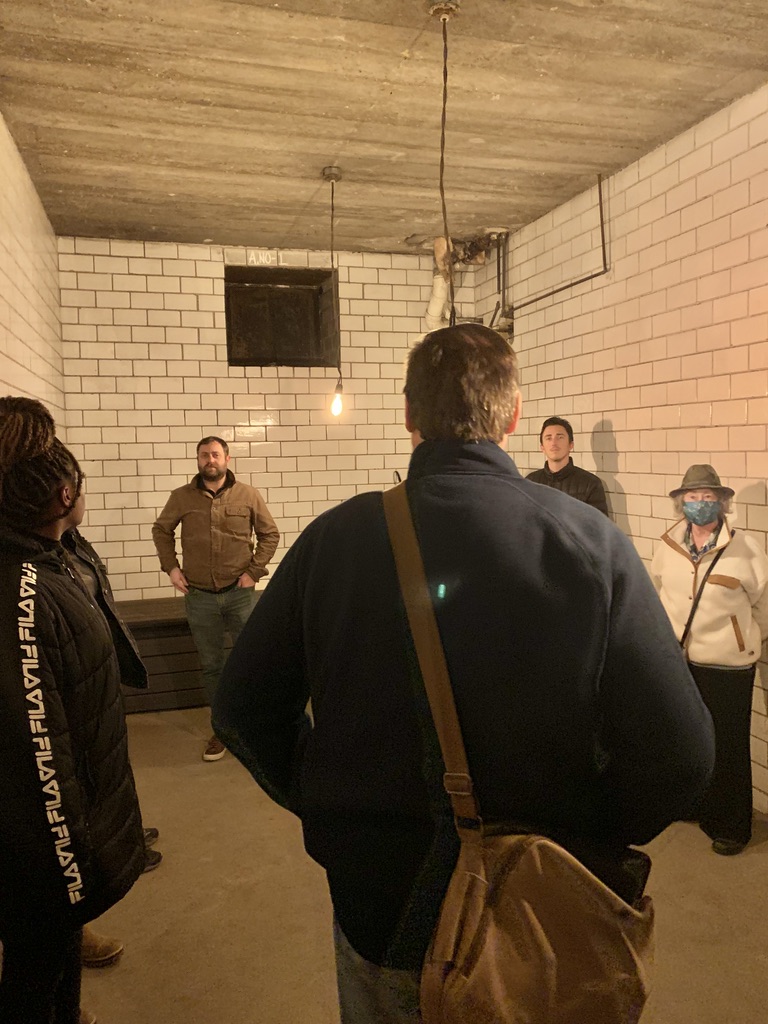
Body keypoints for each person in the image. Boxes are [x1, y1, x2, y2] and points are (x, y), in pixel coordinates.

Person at [212, 324, 715, 1024]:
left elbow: (242, 709)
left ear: (409, 415)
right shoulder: (589, 541)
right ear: (513, 417)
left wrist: (332, 801)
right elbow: (682, 754)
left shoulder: (334, 539)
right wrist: (590, 833)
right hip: (543, 907)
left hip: (381, 902)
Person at [0, 397, 145, 1024]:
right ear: (64, 496)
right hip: (46, 844)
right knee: (34, 965)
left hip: (69, 818)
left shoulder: (51, 559)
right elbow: (37, 747)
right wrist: (71, 861)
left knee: (55, 950)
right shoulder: (24, 590)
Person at [59, 518, 164, 970]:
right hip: (66, 686)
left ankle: (118, 842)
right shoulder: (27, 555)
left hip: (91, 678)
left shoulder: (67, 540)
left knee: (104, 770)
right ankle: (67, 926)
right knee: (66, 788)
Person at [651, 464, 768, 856]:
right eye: (692, 496)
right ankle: (695, 806)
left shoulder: (746, 548)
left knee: (729, 745)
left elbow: (763, 606)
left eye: (707, 496)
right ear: (681, 501)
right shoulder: (668, 544)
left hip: (727, 665)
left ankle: (732, 826)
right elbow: (660, 593)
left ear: (721, 502)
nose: (700, 503)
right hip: (680, 661)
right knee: (688, 739)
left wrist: (741, 637)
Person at [152, 436, 279, 762]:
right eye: (204, 455)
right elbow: (161, 530)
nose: (210, 460)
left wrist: (254, 571)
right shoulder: (181, 497)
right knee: (212, 666)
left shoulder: (248, 495)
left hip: (240, 594)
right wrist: (171, 568)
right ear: (198, 460)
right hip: (200, 597)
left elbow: (270, 534)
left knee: (250, 660)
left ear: (227, 459)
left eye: (215, 454)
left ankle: (253, 725)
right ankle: (221, 729)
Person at [527, 415, 609, 515]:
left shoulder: (590, 484)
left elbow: (599, 524)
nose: (554, 443)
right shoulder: (530, 482)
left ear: (571, 445)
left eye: (560, 437)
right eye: (549, 438)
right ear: (542, 447)